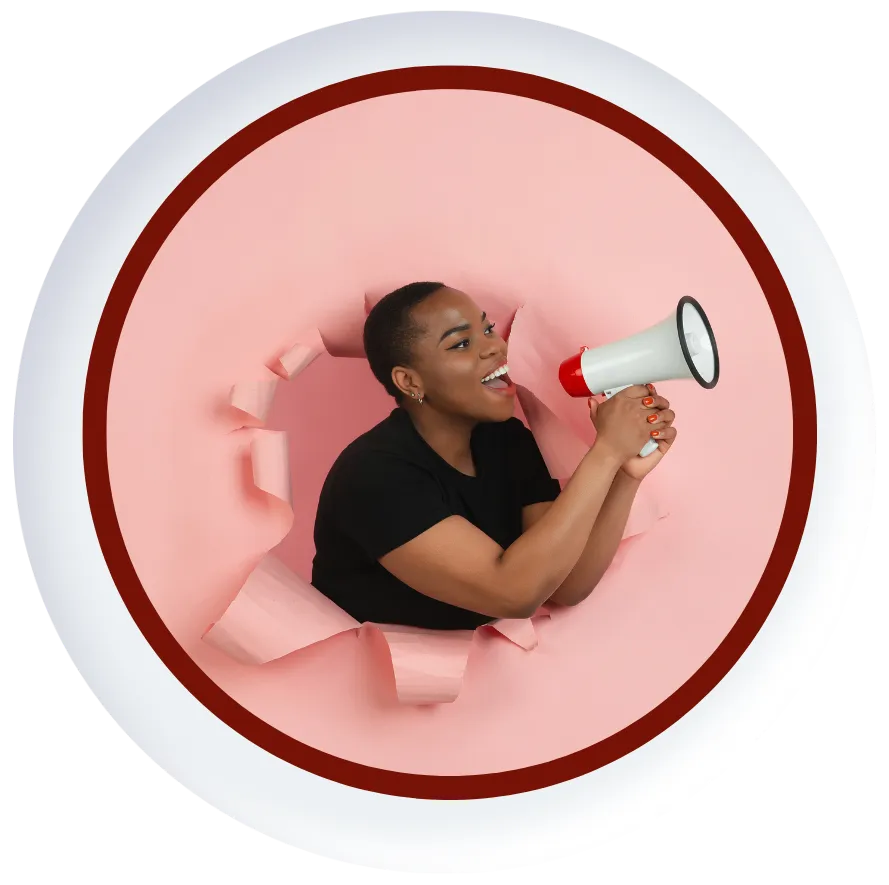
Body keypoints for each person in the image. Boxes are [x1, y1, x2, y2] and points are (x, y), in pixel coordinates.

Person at [311, 282, 677, 630]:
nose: (494, 347)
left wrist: (625, 473)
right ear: (410, 382)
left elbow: (566, 584)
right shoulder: (373, 476)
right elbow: (514, 594)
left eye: (487, 330)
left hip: (475, 666)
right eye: (461, 343)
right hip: (366, 666)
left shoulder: (506, 441)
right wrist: (606, 451)